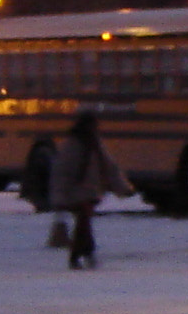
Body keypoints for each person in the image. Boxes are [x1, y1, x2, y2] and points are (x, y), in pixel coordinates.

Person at [47, 111, 134, 270]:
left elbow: (109, 168)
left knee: (84, 223)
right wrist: (123, 188)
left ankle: (82, 255)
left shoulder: (87, 144)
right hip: (78, 192)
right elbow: (108, 168)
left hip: (87, 192)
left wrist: (124, 188)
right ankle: (83, 255)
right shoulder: (80, 145)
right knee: (84, 223)